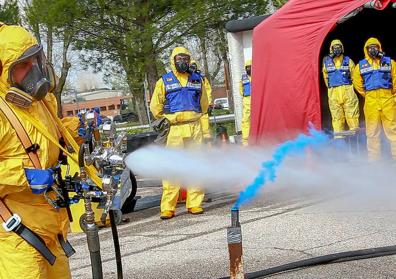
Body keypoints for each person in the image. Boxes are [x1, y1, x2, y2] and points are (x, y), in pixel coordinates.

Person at [0, 23, 98, 278]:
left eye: (35, 59)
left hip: (50, 226)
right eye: (23, 64)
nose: (33, 69)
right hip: (15, 235)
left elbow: (48, 136)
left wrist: (79, 128)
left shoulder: (39, 102)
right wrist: (24, 175)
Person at [150, 46, 209, 219]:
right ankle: (168, 207)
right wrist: (167, 119)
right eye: (179, 58)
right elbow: (155, 106)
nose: (182, 61)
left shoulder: (198, 80)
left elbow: (204, 103)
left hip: (194, 126)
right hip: (174, 129)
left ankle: (195, 203)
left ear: (189, 60)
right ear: (173, 61)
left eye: (185, 58)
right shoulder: (164, 81)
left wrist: (197, 117)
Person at [352, 37, 396, 160]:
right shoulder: (360, 66)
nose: (372, 49)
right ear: (366, 49)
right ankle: (374, 161)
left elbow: (395, 79)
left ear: (379, 47)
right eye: (369, 47)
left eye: (375, 47)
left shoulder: (389, 62)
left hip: (388, 100)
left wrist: (392, 97)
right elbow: (357, 84)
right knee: (372, 132)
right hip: (371, 102)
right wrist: (368, 95)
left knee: (393, 131)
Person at [322, 39, 359, 138]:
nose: (337, 49)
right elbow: (326, 79)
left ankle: (355, 140)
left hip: (348, 94)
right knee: (337, 118)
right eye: (335, 47)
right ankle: (339, 142)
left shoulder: (349, 61)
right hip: (334, 94)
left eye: (339, 47)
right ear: (331, 49)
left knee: (352, 116)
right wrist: (332, 90)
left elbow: (355, 77)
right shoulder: (327, 63)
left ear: (342, 48)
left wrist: (350, 89)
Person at [190, 60, 213, 141]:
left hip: (202, 106)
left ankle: (208, 145)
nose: (193, 67)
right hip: (192, 106)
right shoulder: (186, 77)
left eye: (194, 65)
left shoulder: (201, 78)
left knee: (205, 126)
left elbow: (208, 90)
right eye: (191, 65)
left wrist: (209, 104)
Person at [240, 59, 252, 146]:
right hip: (247, 101)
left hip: (256, 100)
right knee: (246, 120)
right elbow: (240, 88)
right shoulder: (243, 77)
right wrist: (243, 95)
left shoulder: (258, 76)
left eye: (250, 67)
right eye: (247, 67)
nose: (248, 69)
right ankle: (245, 140)